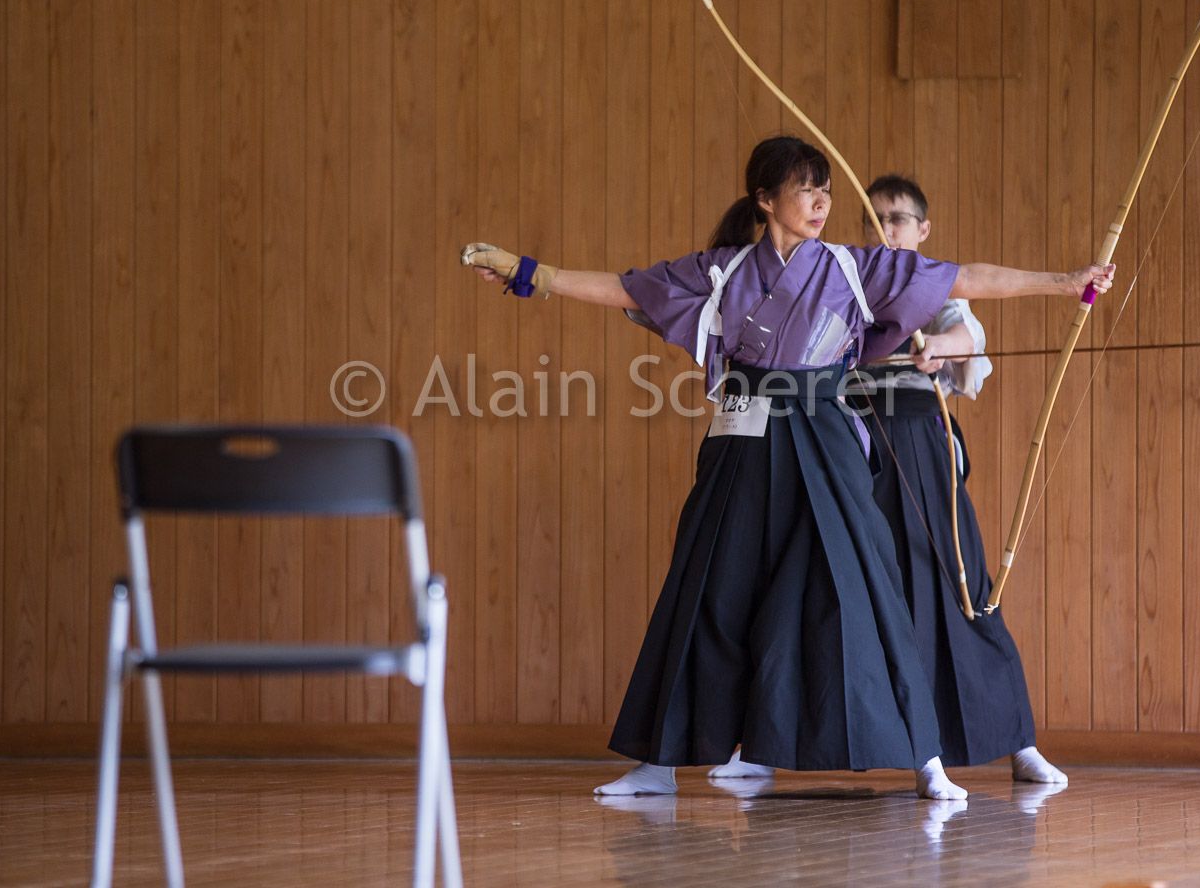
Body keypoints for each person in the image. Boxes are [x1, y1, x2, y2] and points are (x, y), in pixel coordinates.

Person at [461, 136, 1113, 801]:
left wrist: (1063, 283)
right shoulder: (723, 271)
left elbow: (963, 279)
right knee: (708, 588)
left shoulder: (854, 268)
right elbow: (626, 288)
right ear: (765, 199)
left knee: (866, 588)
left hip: (825, 437)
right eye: (806, 189)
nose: (821, 202)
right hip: (743, 437)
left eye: (825, 189)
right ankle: (658, 764)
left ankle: (926, 759)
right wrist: (530, 273)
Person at [709, 173, 1068, 788]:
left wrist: (940, 346)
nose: (885, 229)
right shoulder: (849, 279)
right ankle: (767, 740)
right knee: (812, 582)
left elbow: (969, 334)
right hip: (844, 446)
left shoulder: (927, 286)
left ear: (922, 229)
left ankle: (1018, 742)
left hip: (919, 445)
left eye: (897, 219)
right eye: (874, 219)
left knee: (955, 584)